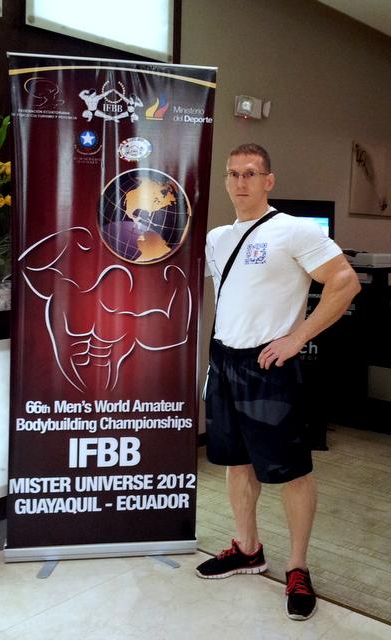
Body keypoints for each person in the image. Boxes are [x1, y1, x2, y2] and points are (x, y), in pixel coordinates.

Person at [196, 143, 361, 621]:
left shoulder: (293, 230)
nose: (241, 182)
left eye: (251, 173)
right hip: (224, 361)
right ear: (226, 181)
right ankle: (247, 549)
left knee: (291, 471)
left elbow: (345, 281)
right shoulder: (217, 238)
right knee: (236, 463)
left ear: (269, 180)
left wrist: (298, 337)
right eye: (233, 174)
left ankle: (297, 567)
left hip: (268, 367)